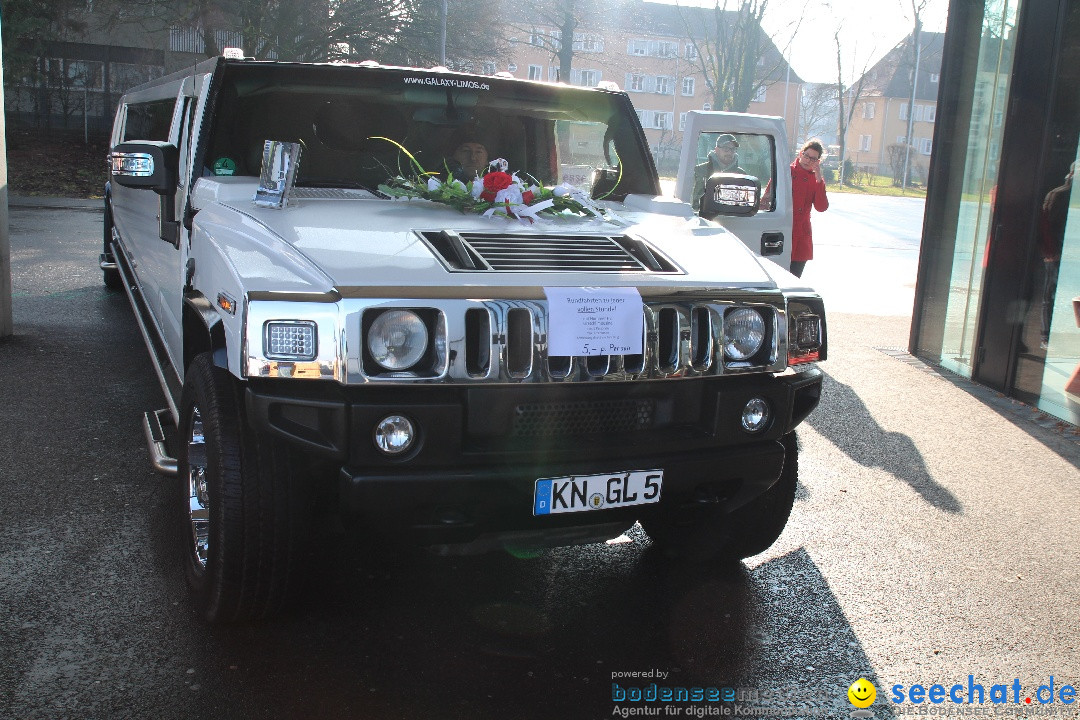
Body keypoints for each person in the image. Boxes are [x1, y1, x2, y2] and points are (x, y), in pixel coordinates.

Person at [789, 139, 829, 278]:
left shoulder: (815, 179)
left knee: (794, 278)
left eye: (813, 159)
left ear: (818, 162)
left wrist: (819, 180)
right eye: (806, 155)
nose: (807, 160)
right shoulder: (786, 171)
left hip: (801, 234)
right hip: (784, 229)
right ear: (800, 153)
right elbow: (767, 199)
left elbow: (821, 207)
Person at [693, 133, 746, 210]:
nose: (730, 152)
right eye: (726, 149)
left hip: (733, 219)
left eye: (733, 149)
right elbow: (691, 202)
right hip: (704, 218)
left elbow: (744, 205)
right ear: (716, 150)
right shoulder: (699, 171)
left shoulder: (742, 175)